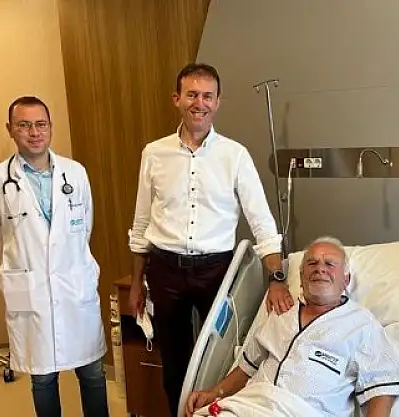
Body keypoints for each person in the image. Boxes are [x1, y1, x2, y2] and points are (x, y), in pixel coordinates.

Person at [128, 62, 294, 416]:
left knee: (221, 359)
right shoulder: (154, 154)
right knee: (174, 363)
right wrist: (137, 283)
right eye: (191, 95)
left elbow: (262, 223)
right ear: (176, 99)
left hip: (216, 272)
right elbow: (141, 224)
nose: (199, 103)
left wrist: (276, 278)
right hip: (165, 270)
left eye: (207, 96)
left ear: (218, 102)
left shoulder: (234, 155)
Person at [0, 96, 109, 417]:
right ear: (10, 129)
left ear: (51, 127)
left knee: (92, 373)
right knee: (42, 378)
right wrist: (29, 263)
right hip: (31, 291)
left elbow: (85, 226)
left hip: (74, 286)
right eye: (24, 125)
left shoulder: (75, 173)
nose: (34, 132)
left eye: (41, 124)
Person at [185, 237, 399, 417]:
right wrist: (215, 392)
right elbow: (247, 365)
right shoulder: (282, 311)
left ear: (345, 280)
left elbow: (381, 388)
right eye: (312, 263)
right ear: (301, 277)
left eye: (329, 264)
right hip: (250, 406)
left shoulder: (361, 324)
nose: (320, 269)